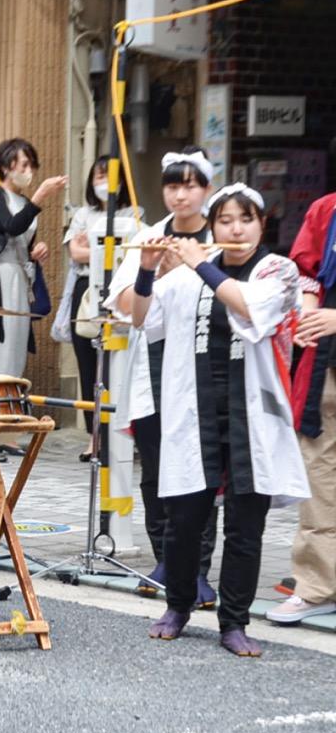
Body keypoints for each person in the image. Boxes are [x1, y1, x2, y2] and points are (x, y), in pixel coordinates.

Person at [132, 183, 309, 657]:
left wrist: (197, 263)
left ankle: (234, 621)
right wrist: (148, 270)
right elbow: (141, 318)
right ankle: (178, 606)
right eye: (226, 220)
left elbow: (251, 306)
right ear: (212, 227)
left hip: (253, 421)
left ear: (261, 224)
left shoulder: (278, 270)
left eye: (245, 219)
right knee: (185, 520)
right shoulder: (189, 276)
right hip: (196, 415)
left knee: (245, 527)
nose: (235, 229)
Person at [106, 149, 220, 606]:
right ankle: (163, 560)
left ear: (207, 190)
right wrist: (151, 273)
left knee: (201, 472)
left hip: (206, 367)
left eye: (192, 185)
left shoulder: (219, 238)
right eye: (174, 185)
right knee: (154, 469)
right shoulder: (150, 238)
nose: (181, 194)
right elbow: (129, 310)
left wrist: (197, 267)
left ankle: (198, 569)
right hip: (153, 366)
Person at [267, 172, 336, 624]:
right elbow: (304, 272)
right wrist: (310, 313)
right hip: (324, 362)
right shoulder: (326, 209)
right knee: (319, 472)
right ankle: (316, 585)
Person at [0, 138, 66, 379]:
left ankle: (9, 403)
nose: (28, 171)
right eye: (22, 165)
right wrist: (41, 195)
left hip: (20, 280)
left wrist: (36, 251)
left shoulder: (25, 202)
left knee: (15, 346)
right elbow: (11, 226)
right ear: (5, 167)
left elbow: (22, 241)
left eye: (31, 165)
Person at [62, 156, 142, 438]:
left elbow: (134, 252)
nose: (104, 182)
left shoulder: (134, 214)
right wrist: (109, 248)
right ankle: (94, 437)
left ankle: (119, 434)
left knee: (116, 364)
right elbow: (76, 253)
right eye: (98, 176)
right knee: (87, 366)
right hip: (86, 291)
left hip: (121, 291)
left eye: (110, 176)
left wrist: (93, 247)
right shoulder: (83, 214)